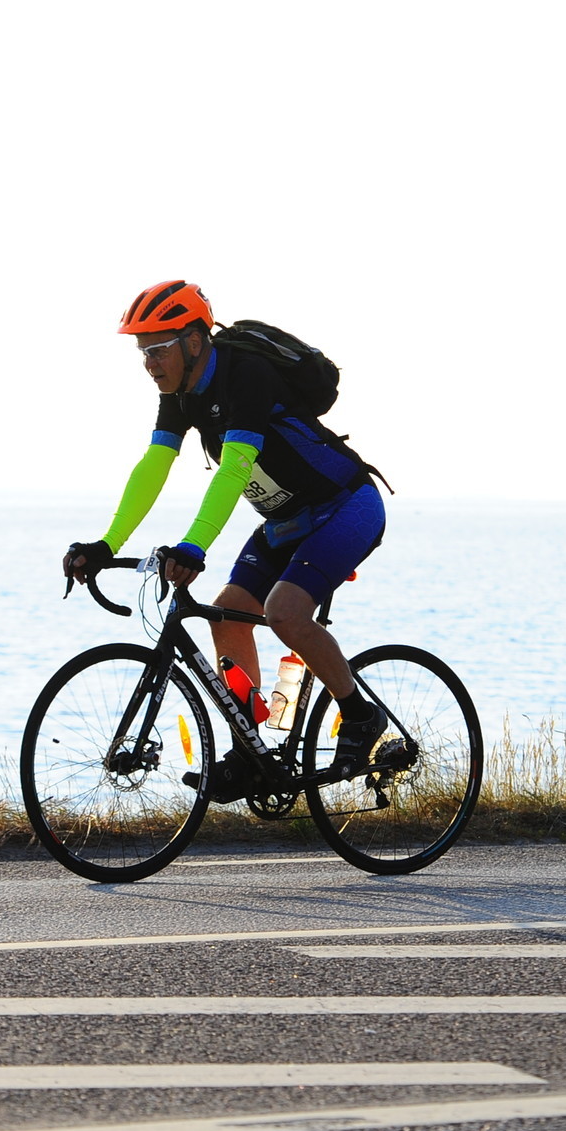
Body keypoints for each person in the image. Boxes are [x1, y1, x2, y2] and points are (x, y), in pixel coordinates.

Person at [63, 280, 388, 793]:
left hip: (345, 507)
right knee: (227, 613)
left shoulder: (245, 374)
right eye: (143, 352)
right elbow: (155, 465)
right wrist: (107, 544)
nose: (149, 363)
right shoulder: (181, 395)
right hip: (284, 521)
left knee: (284, 612)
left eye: (158, 348)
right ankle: (250, 752)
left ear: (194, 341)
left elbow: (235, 468)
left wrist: (195, 546)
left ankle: (360, 714)